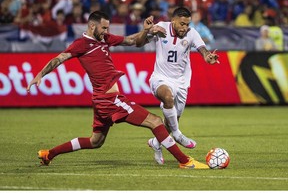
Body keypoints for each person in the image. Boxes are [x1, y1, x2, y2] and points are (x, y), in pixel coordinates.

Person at [26, 10, 209, 169]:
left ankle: (48, 154)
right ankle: (185, 161)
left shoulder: (104, 39)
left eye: (108, 28)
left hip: (100, 100)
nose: (107, 32)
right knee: (155, 122)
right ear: (92, 26)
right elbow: (59, 58)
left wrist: (145, 31)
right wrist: (41, 74)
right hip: (110, 99)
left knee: (95, 141)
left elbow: (132, 41)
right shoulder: (81, 44)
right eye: (104, 28)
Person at [136, 7, 219, 165]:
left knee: (170, 119)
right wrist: (146, 31)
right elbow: (139, 43)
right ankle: (178, 134)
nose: (184, 27)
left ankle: (156, 143)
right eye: (182, 24)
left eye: (187, 24)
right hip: (160, 78)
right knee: (167, 97)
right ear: (172, 21)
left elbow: (202, 49)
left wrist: (208, 57)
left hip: (181, 82)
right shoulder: (161, 28)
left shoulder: (192, 33)